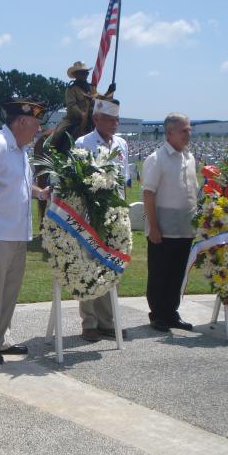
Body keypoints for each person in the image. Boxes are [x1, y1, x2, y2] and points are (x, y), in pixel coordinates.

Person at [0, 98, 51, 365]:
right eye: (35, 125)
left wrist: (40, 193)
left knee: (9, 291)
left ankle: (0, 339)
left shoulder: (19, 150)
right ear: (21, 121)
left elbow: (18, 185)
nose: (38, 131)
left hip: (17, 232)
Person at [74, 90, 129, 342]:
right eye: (109, 119)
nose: (114, 124)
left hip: (115, 215)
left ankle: (108, 321)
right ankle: (89, 322)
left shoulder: (121, 144)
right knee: (88, 267)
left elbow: (123, 181)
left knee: (111, 266)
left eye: (117, 120)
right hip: (90, 214)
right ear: (96, 119)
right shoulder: (83, 143)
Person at [142, 113, 197, 332]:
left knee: (177, 273)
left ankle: (171, 312)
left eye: (189, 129)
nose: (188, 134)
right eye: (184, 130)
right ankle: (157, 314)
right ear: (169, 133)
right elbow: (148, 194)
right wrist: (153, 227)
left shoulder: (189, 157)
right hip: (163, 227)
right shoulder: (157, 159)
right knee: (160, 273)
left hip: (185, 226)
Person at [52, 61, 96, 153]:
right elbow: (71, 105)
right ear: (76, 74)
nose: (85, 74)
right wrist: (82, 114)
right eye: (82, 72)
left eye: (86, 72)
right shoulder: (71, 89)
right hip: (73, 119)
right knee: (58, 133)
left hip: (91, 118)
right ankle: (55, 153)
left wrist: (109, 91)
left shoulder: (91, 88)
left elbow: (99, 100)